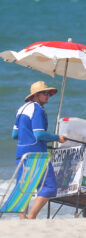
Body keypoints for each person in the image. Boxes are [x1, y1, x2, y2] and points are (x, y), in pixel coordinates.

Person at [11, 81, 67, 219]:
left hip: (21, 154)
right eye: (45, 93)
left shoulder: (21, 109)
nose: (48, 96)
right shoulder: (37, 109)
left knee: (24, 189)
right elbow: (39, 134)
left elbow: (15, 135)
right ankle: (31, 217)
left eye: (49, 93)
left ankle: (23, 220)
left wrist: (27, 137)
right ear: (36, 95)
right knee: (49, 186)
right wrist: (57, 137)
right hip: (37, 155)